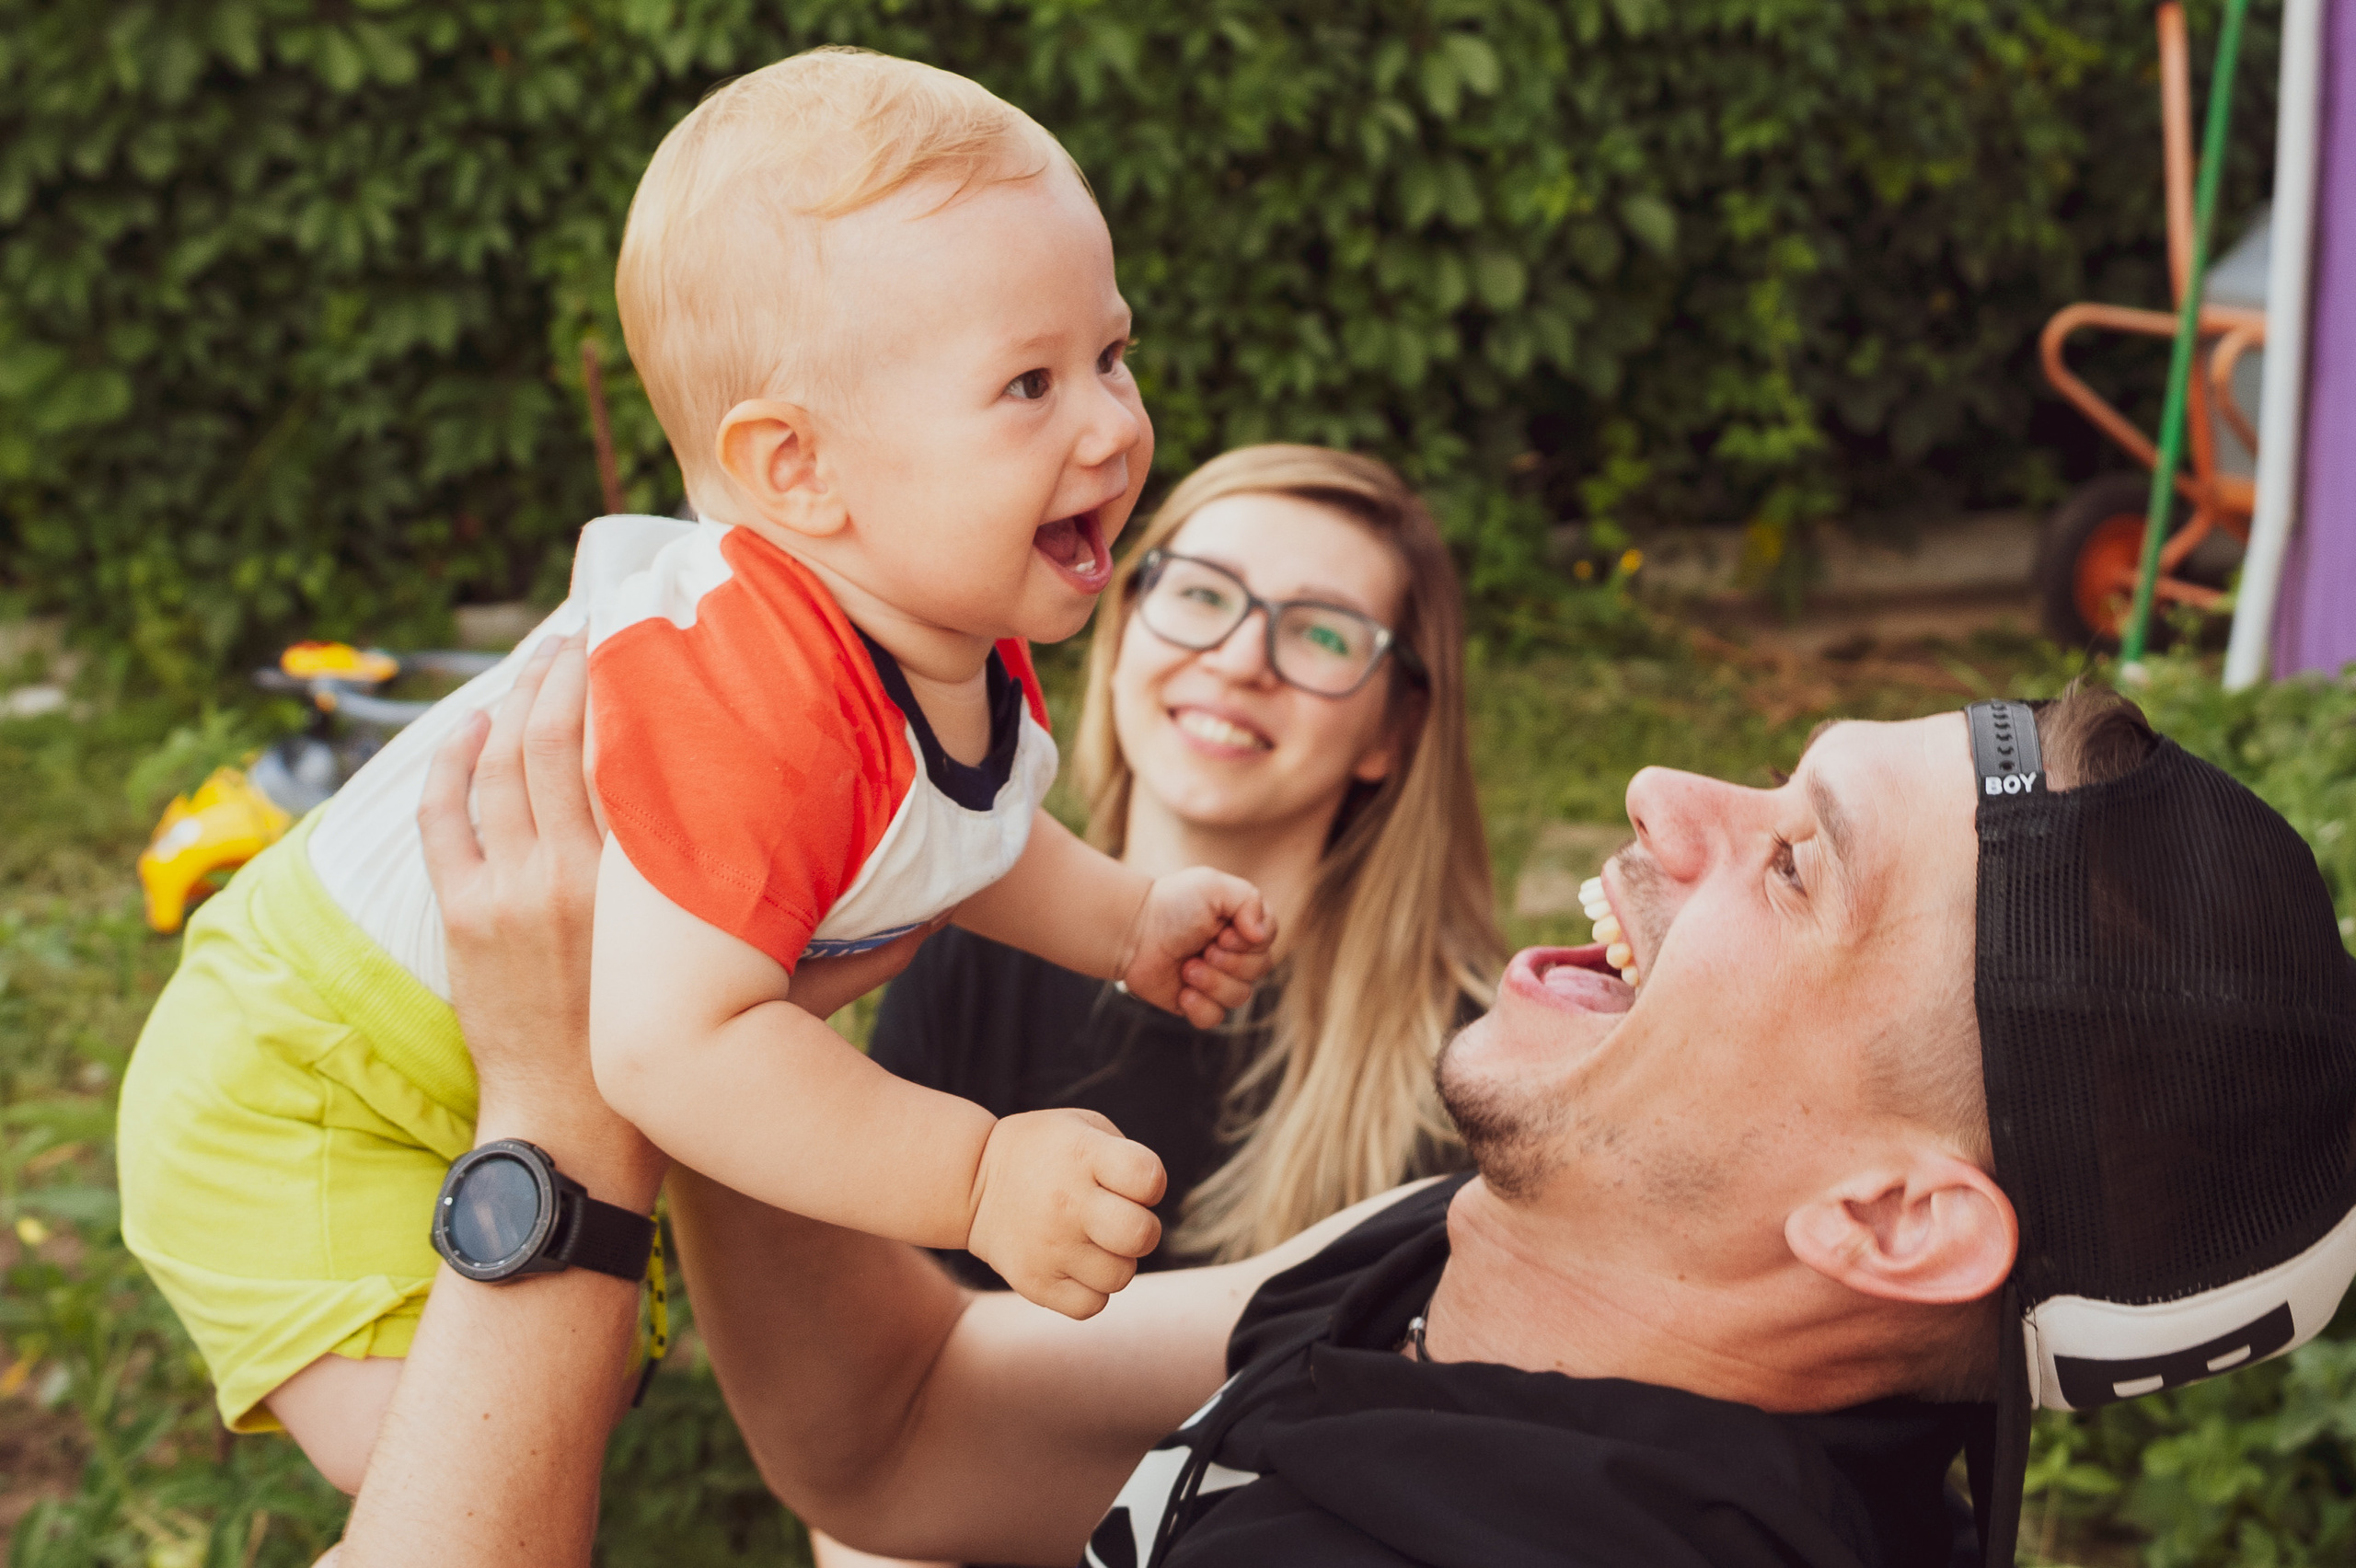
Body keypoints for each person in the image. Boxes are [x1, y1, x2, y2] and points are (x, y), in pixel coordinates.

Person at [341, 667, 2356, 1567]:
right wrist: (720, 1008)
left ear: (1894, 1220)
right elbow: (897, 1436)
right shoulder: (1477, 1274)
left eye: (1794, 866)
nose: (1667, 801)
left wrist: (560, 1127)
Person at [116, 46, 1278, 1493]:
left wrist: (1122, 922)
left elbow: (952, 828)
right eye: (1029, 385)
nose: (1111, 424)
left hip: (459, 1049)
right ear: (798, 473)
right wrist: (973, 1178)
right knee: (463, 1463)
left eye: (1111, 354)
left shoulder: (940, 621)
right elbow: (680, 1048)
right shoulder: (749, 683)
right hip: (303, 1074)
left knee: (564, 1389)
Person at [823, 448, 1504, 1567]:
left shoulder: (1470, 1067)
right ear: (1127, 617)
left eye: (1323, 634)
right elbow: (854, 1389)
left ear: (1391, 730)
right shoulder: (965, 951)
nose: (1238, 659)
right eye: (1198, 594)